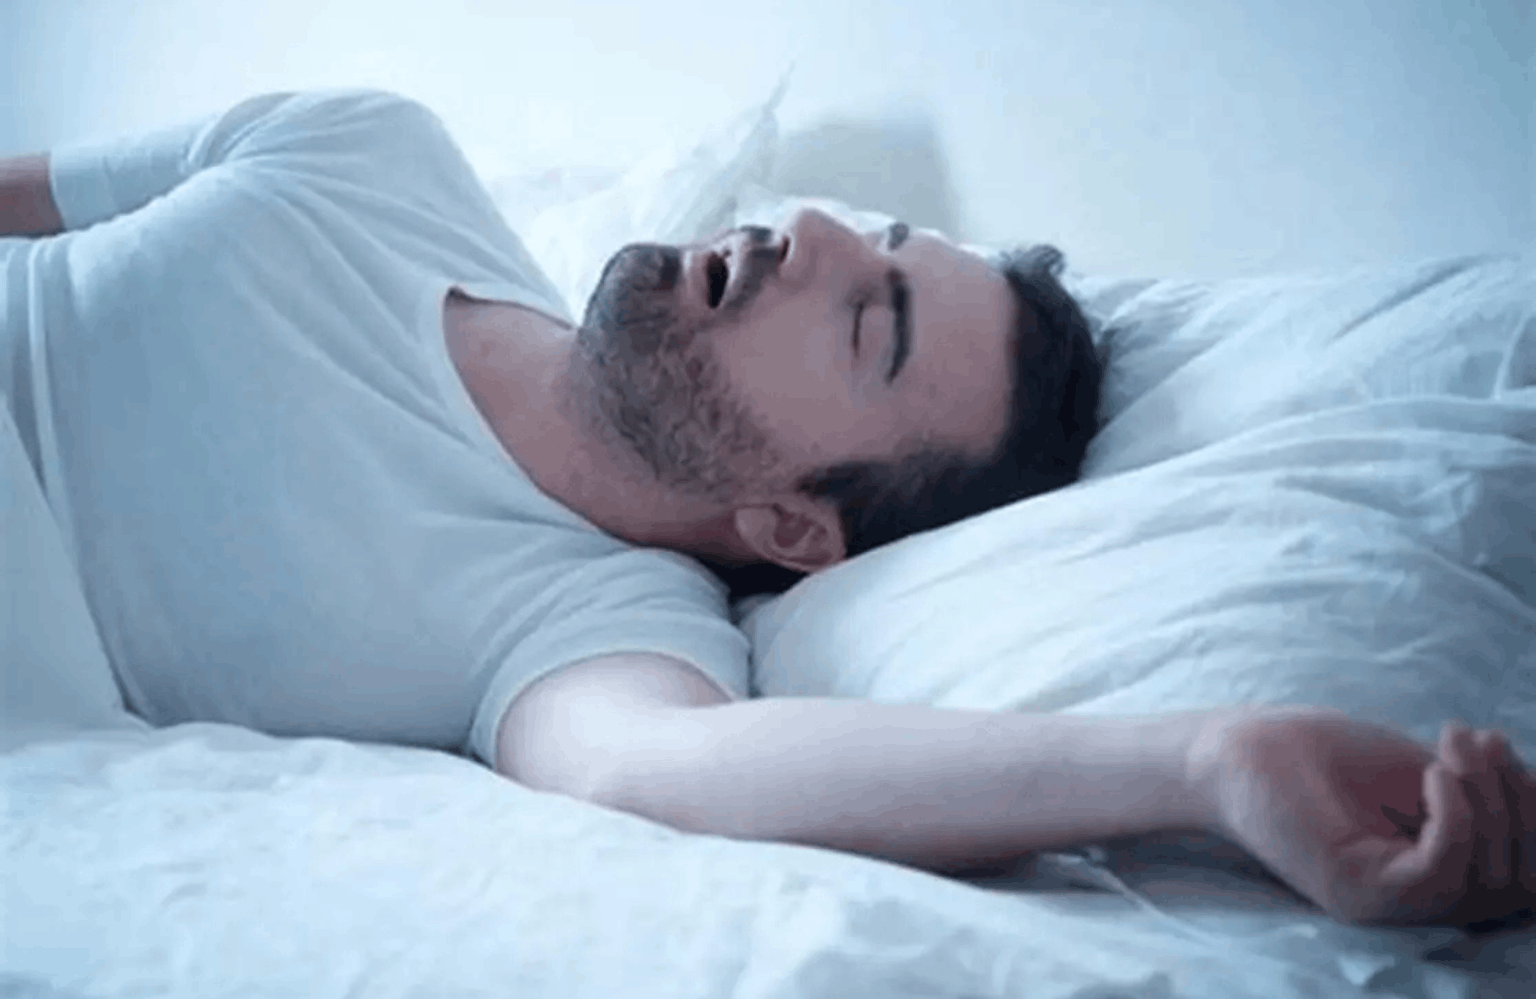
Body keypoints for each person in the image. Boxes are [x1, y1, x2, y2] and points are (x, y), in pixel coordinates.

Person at [2, 88, 1531, 930]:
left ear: (798, 530)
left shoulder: (588, 628)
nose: (805, 229)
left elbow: (677, 770)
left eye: (868, 320)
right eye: (871, 235)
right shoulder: (362, 152)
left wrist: (1206, 761)